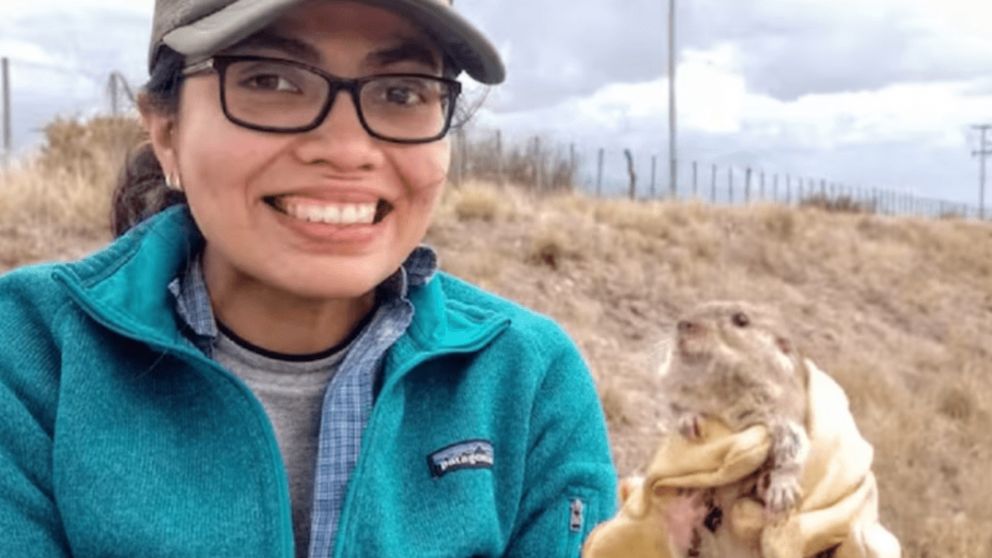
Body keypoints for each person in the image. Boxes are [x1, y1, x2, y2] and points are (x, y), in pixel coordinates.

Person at [0, 1, 617, 556]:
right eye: (270, 80)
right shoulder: (30, 357)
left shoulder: (528, 380)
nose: (347, 149)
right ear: (166, 131)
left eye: (401, 92)